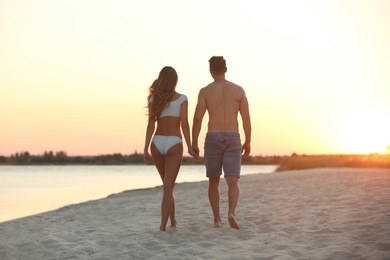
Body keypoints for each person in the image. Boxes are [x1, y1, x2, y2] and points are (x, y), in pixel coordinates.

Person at [192, 56, 251, 229]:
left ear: (211, 72)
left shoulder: (205, 91)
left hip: (213, 136)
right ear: (226, 69)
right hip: (233, 136)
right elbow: (246, 118)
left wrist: (193, 142)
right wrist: (248, 140)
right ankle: (231, 212)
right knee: (233, 180)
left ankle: (217, 220)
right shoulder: (238, 90)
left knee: (213, 180)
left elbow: (197, 119)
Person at [143, 66, 195, 231]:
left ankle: (172, 221)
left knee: (167, 185)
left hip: (157, 143)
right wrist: (191, 145)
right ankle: (163, 226)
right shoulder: (182, 99)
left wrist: (145, 148)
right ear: (175, 81)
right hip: (173, 142)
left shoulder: (154, 99)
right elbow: (185, 124)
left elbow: (151, 125)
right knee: (168, 186)